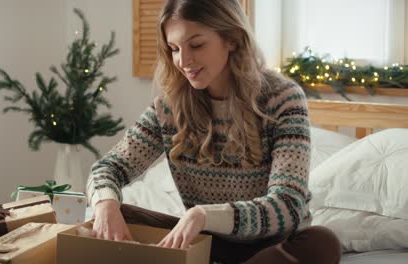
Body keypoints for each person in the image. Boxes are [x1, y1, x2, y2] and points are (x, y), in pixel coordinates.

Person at [86, 0, 341, 263]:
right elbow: (108, 168)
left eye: (196, 45)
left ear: (231, 39)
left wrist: (204, 215)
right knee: (118, 213)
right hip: (207, 244)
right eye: (174, 49)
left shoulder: (283, 98)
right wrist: (105, 203)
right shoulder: (169, 108)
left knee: (322, 242)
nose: (183, 61)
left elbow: (288, 204)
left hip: (272, 247)